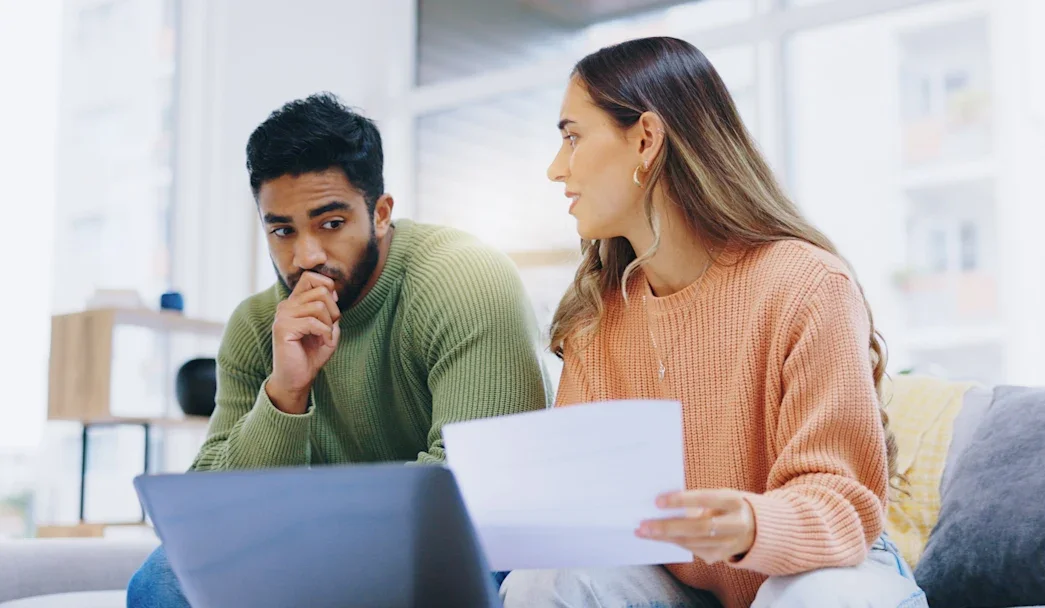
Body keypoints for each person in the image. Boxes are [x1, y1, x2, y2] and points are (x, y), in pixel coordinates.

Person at [499, 37, 928, 608]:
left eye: (572, 137)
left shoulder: (805, 284)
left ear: (645, 140)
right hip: (686, 584)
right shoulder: (596, 318)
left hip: (826, 570)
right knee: (542, 580)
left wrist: (749, 523)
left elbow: (842, 503)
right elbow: (593, 514)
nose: (557, 169)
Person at [127, 93, 549, 607]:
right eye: (282, 230)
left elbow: (476, 488)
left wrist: (313, 540)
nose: (306, 256)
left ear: (381, 213)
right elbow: (206, 519)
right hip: (318, 552)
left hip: (459, 553)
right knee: (161, 579)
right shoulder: (258, 324)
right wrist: (284, 393)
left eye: (331, 223)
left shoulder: (463, 279)